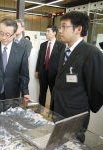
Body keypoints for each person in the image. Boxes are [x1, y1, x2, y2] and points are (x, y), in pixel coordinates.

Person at [51, 11, 103, 142]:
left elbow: (97, 88)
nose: (60, 30)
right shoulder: (64, 49)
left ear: (78, 29)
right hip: (58, 109)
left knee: (74, 144)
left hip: (76, 114)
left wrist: (83, 106)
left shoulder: (91, 53)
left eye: (64, 26)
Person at [35, 25, 65, 107]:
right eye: (46, 31)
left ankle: (52, 111)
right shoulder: (43, 45)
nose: (46, 33)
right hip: (43, 72)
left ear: (54, 33)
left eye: (48, 31)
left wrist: (59, 74)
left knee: (53, 93)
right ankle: (40, 110)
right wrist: (37, 70)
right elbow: (40, 59)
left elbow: (61, 62)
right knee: (42, 93)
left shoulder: (61, 46)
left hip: (54, 74)